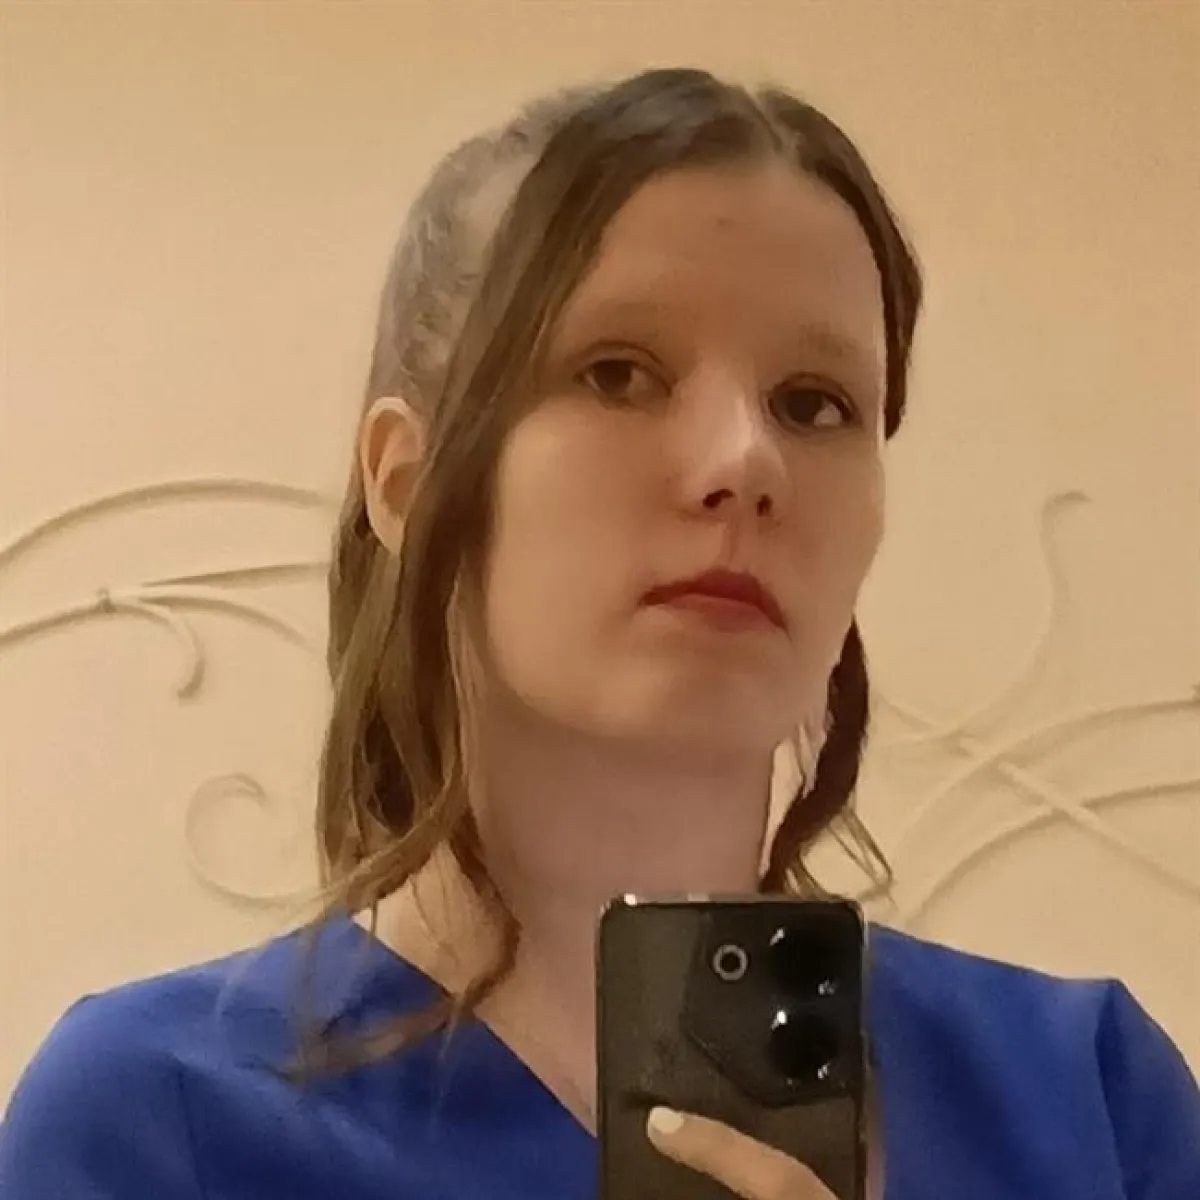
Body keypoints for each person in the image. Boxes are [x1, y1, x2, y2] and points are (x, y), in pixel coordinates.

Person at [1, 67, 1196, 1200]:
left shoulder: (1091, 1099)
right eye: (619, 373)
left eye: (815, 402)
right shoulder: (151, 1125)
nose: (746, 460)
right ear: (408, 484)